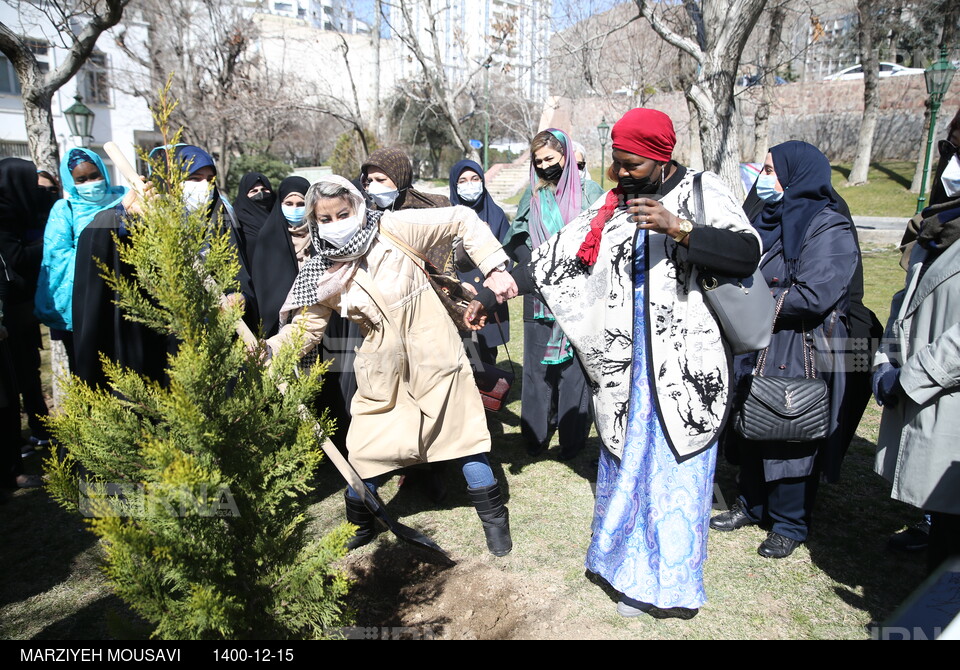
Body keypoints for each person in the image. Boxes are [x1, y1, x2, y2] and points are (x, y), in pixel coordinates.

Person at [470, 108, 760, 617]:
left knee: (675, 474)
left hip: (684, 368)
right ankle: (623, 566)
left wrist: (681, 228)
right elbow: (551, 259)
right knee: (626, 462)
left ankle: (668, 588)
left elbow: (746, 251)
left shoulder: (701, 190)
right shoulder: (612, 206)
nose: (622, 174)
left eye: (633, 165)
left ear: (661, 158)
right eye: (616, 164)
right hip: (627, 370)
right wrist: (496, 289)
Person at [264, 175, 517, 556]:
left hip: (436, 354)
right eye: (326, 219)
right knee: (367, 452)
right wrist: (269, 352)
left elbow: (462, 218)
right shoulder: (320, 270)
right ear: (315, 223)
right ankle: (360, 526)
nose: (336, 224)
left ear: (358, 207)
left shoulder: (394, 227)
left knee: (465, 442)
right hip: (382, 370)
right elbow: (306, 330)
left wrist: (495, 266)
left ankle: (495, 526)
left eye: (343, 213)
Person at [710, 141, 859, 559]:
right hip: (756, 339)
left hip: (800, 341)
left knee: (790, 425)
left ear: (798, 175)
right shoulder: (761, 215)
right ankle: (750, 504)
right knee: (751, 419)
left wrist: (757, 304)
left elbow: (815, 293)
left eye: (774, 171)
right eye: (765, 169)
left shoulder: (828, 225)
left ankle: (789, 523)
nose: (765, 179)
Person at [72, 144, 256, 388]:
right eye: (194, 178)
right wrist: (124, 215)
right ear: (169, 181)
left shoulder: (218, 214)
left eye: (210, 179)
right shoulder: (143, 214)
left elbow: (237, 268)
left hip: (217, 339)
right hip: (163, 345)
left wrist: (238, 295)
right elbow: (96, 246)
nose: (204, 186)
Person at [873, 107, 960, 573]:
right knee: (945, 526)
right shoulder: (939, 224)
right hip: (921, 382)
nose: (951, 162)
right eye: (950, 148)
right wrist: (885, 363)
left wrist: (910, 379)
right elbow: (907, 300)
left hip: (943, 388)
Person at [503, 128, 603, 460]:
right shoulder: (531, 198)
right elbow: (517, 237)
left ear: (567, 157)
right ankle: (535, 436)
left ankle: (573, 440)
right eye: (539, 161)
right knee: (536, 370)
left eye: (551, 159)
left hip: (579, 296)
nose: (546, 165)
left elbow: (603, 238)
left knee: (574, 370)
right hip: (540, 296)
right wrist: (534, 265)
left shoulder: (592, 193)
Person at [35, 148, 128, 367]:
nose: (91, 182)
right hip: (85, 298)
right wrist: (101, 253)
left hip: (123, 295)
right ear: (71, 182)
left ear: (104, 172)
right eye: (82, 179)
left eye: (95, 175)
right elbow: (58, 257)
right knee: (88, 367)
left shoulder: (123, 197)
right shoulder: (65, 209)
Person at [0, 157, 55, 487]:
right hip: (11, 312)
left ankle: (40, 431)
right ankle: (20, 445)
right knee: (14, 379)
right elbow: (15, 258)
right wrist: (45, 245)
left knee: (30, 371)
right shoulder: (3, 216)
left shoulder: (18, 209)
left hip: (23, 308)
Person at [448, 159, 510, 368]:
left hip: (488, 292)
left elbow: (507, 253)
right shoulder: (446, 216)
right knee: (461, 350)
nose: (470, 184)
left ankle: (488, 396)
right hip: (458, 292)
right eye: (463, 180)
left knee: (486, 352)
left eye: (475, 179)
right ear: (455, 186)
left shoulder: (496, 214)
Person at [360, 147, 450, 211]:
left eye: (380, 180)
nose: (373, 188)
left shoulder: (436, 207)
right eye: (370, 181)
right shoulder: (369, 215)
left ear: (400, 178)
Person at [233, 172, 275, 264]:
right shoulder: (236, 219)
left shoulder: (278, 216)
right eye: (254, 191)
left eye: (264, 189)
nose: (260, 194)